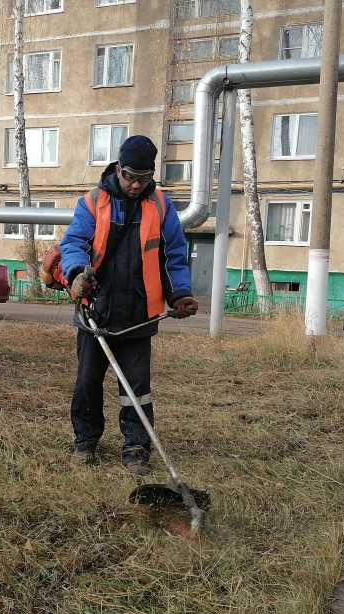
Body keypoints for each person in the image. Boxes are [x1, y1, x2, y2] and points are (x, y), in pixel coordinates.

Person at [58, 135, 198, 475]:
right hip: (96, 312)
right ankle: (85, 441)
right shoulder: (93, 203)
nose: (136, 185)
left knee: (137, 388)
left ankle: (136, 446)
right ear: (118, 169)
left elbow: (174, 256)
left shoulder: (162, 207)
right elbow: (74, 242)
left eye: (144, 178)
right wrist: (77, 273)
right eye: (130, 176)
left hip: (139, 314)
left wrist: (180, 294)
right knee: (87, 382)